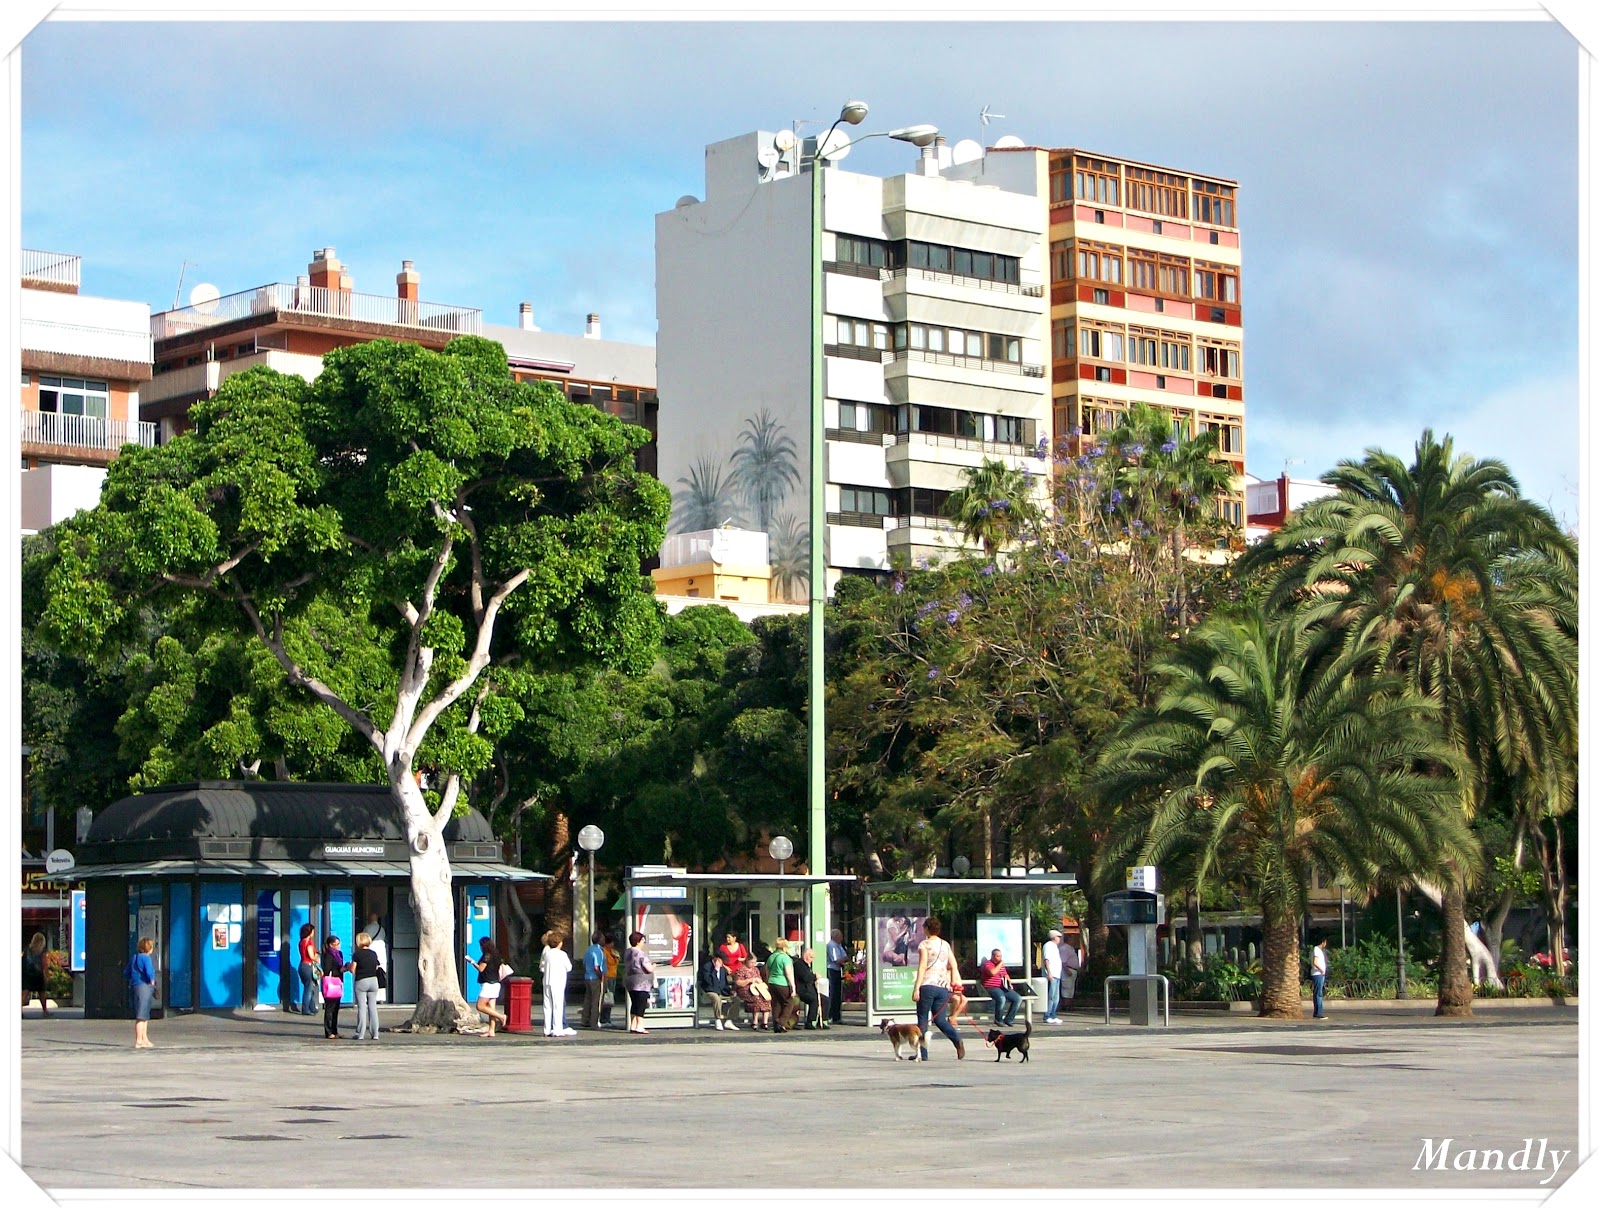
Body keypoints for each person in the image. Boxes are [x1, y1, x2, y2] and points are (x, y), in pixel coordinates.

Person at [912, 916, 965, 1061]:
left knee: (923, 1020)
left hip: (927, 985)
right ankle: (957, 1040)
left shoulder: (924, 945)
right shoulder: (945, 944)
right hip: (943, 987)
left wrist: (916, 988)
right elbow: (953, 965)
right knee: (940, 1020)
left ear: (927, 929)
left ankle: (923, 1054)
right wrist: (955, 981)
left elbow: (922, 966)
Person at [467, 936, 508, 1037]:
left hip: (488, 984)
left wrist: (471, 961)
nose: (480, 948)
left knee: (480, 1006)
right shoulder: (497, 954)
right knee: (491, 1008)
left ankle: (501, 1017)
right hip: (496, 983)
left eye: (480, 945)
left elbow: (481, 969)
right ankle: (491, 1030)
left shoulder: (487, 955)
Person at [348, 932, 383, 1041]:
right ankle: (375, 1033)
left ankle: (360, 1034)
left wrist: (350, 968)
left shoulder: (357, 954)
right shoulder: (373, 954)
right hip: (374, 981)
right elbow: (377, 966)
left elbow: (353, 969)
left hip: (361, 981)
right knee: (373, 1007)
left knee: (362, 1008)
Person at [540, 931, 576, 1037]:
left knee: (547, 1006)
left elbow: (542, 967)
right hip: (558, 982)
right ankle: (557, 1029)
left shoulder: (547, 954)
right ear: (559, 943)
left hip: (547, 981)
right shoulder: (562, 954)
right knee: (558, 1006)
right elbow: (569, 967)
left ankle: (546, 1029)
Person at [978, 947, 1022, 1026]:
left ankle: (1009, 1019)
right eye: (998, 956)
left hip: (1002, 986)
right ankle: (998, 1019)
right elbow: (993, 972)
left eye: (1001, 956)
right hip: (991, 987)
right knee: (1001, 998)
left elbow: (1005, 974)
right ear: (993, 956)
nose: (1000, 958)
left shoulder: (1000, 966)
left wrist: (1009, 982)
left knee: (1017, 998)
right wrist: (1000, 964)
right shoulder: (987, 964)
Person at [623, 930, 656, 1034]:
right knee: (641, 1004)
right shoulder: (641, 954)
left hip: (630, 981)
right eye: (642, 940)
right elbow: (648, 968)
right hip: (642, 983)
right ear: (638, 941)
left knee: (634, 1003)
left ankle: (632, 1025)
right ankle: (640, 1026)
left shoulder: (628, 952)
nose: (643, 942)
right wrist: (654, 965)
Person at [698, 952, 740, 1031]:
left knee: (736, 1000)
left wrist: (731, 991)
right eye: (721, 961)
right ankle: (718, 1019)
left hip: (721, 991)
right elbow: (708, 981)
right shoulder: (707, 967)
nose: (722, 963)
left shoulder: (723, 969)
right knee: (717, 999)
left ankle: (729, 1020)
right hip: (710, 990)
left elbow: (724, 983)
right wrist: (715, 971)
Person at [128, 937, 157, 1048]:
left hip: (135, 986)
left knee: (144, 1014)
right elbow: (149, 972)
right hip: (144, 987)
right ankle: (139, 1040)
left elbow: (126, 972)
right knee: (141, 1015)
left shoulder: (134, 958)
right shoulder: (146, 958)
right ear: (149, 948)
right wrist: (152, 981)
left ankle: (145, 1039)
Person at [734, 953, 772, 1030]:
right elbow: (738, 983)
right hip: (745, 988)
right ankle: (755, 1021)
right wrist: (749, 980)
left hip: (756, 988)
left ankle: (765, 1022)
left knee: (766, 998)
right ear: (747, 961)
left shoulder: (756, 969)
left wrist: (758, 981)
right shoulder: (741, 970)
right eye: (752, 962)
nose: (753, 964)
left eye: (754, 962)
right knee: (756, 998)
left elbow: (760, 979)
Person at [765, 938, 795, 1033]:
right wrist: (793, 986)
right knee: (789, 1003)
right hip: (782, 983)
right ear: (784, 947)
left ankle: (776, 1025)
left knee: (776, 1004)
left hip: (772, 982)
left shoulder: (771, 957)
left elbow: (767, 970)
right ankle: (781, 1022)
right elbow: (788, 973)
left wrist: (769, 981)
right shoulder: (785, 958)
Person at [320, 934, 347, 1039]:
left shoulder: (339, 954)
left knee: (336, 1008)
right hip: (331, 982)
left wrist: (344, 968)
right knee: (330, 1008)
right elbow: (327, 970)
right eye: (336, 944)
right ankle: (328, 1031)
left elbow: (340, 966)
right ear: (330, 945)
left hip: (338, 982)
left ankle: (335, 1030)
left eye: (339, 943)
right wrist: (339, 970)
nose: (338, 946)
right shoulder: (328, 955)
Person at [582, 932, 608, 1029]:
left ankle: (585, 1020)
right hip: (596, 978)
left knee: (588, 999)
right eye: (603, 939)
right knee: (597, 1001)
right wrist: (601, 977)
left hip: (588, 977)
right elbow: (597, 967)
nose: (604, 941)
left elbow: (584, 964)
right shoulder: (598, 951)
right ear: (600, 940)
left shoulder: (588, 949)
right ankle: (594, 1022)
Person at [793, 947, 822, 1030]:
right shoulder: (798, 964)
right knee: (813, 1000)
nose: (812, 960)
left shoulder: (806, 965)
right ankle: (809, 1022)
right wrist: (814, 976)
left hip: (808, 989)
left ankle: (822, 1020)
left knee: (825, 999)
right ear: (806, 956)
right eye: (811, 957)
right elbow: (805, 978)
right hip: (801, 990)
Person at [23, 932, 50, 1017]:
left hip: (27, 974)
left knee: (24, 993)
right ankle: (45, 1011)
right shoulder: (42, 951)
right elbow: (44, 964)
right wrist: (46, 975)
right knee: (42, 993)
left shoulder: (27, 949)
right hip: (38, 974)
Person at [295, 923, 319, 1016]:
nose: (313, 933)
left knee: (309, 987)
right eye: (312, 931)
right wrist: (317, 957)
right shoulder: (308, 942)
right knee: (309, 988)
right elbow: (311, 956)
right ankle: (305, 1009)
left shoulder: (301, 942)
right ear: (309, 932)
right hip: (308, 966)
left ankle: (312, 1007)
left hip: (302, 966)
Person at [365, 913, 389, 1004]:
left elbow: (364, 939)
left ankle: (372, 997)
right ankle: (381, 997)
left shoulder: (368, 928)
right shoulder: (382, 929)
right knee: (381, 975)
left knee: (371, 975)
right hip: (381, 953)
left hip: (371, 952)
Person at [825, 929, 848, 1025]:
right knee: (832, 993)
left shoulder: (838, 945)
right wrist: (843, 960)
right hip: (832, 970)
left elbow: (845, 956)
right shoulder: (831, 945)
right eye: (840, 936)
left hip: (838, 970)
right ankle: (830, 1015)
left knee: (838, 994)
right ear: (836, 936)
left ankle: (836, 1016)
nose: (842, 938)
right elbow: (837, 960)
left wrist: (844, 959)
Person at [1042, 928, 1065, 1024]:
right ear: (1054, 937)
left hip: (1057, 975)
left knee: (1056, 997)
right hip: (1052, 975)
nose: (1059, 939)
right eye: (1058, 937)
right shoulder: (1048, 946)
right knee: (1051, 996)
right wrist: (1049, 973)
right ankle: (1047, 1015)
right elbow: (1046, 960)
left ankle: (1053, 1014)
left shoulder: (1055, 947)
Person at [602, 932, 621, 1027]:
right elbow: (608, 963)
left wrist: (616, 957)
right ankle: (604, 1019)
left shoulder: (612, 951)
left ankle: (607, 1018)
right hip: (607, 976)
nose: (613, 945)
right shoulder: (604, 952)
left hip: (613, 976)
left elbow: (617, 962)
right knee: (607, 999)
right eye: (612, 943)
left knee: (610, 998)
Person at [1060, 933, 1082, 1011]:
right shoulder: (1064, 948)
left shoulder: (1071, 948)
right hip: (1068, 970)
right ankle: (1065, 1005)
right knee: (1066, 988)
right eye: (1072, 939)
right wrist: (1067, 970)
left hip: (1073, 970)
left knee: (1071, 988)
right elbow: (1063, 961)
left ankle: (1069, 1004)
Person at [1311, 937, 1330, 1020]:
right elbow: (1315, 962)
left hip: (1319, 974)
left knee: (1317, 993)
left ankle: (1317, 1012)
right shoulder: (1317, 950)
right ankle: (1319, 1013)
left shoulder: (1319, 951)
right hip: (1318, 974)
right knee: (1318, 993)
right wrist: (1321, 969)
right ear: (1323, 942)